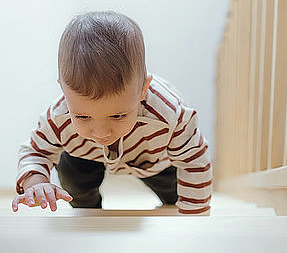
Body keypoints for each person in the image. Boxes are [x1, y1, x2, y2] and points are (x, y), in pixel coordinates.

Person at [11, 11, 212, 215]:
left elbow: (193, 159)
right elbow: (36, 151)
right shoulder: (58, 116)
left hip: (153, 157)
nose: (101, 132)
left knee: (175, 193)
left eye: (117, 116)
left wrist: (194, 214)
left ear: (143, 89)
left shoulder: (170, 115)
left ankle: (172, 196)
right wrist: (36, 181)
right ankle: (88, 208)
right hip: (85, 154)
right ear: (63, 90)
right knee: (75, 181)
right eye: (82, 116)